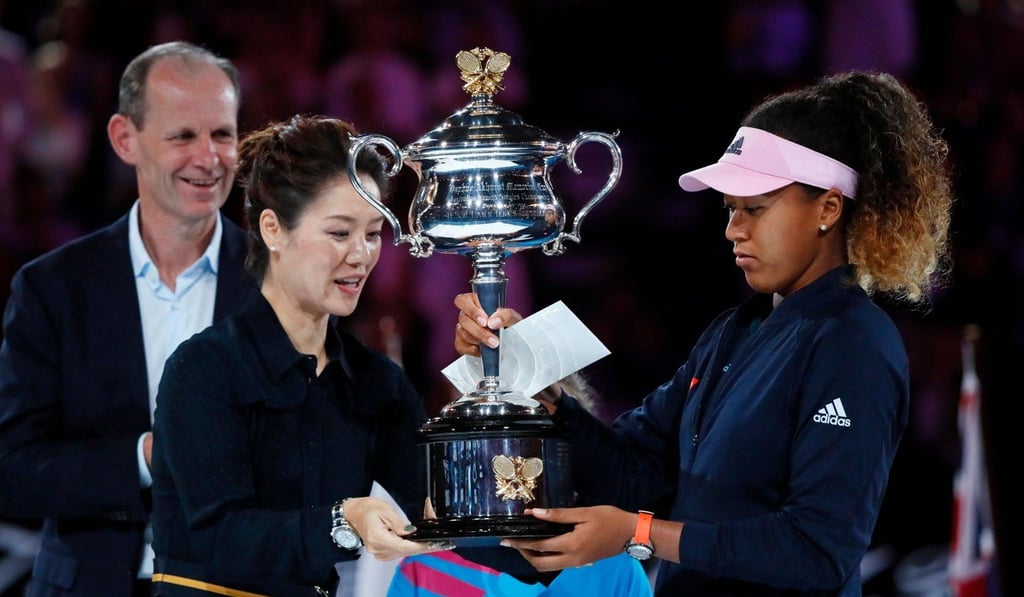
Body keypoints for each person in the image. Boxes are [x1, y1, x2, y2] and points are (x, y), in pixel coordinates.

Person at [452, 70, 954, 595]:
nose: (733, 229)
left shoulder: (854, 344)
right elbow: (633, 471)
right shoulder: (735, 331)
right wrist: (544, 391)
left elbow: (815, 551)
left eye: (755, 209)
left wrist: (638, 534)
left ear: (827, 208)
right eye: (731, 209)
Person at [149, 114, 453, 597]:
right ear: (273, 229)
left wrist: (514, 394)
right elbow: (220, 537)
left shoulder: (378, 383)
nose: (361, 255)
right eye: (339, 233)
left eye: (373, 233)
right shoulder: (205, 370)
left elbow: (442, 520)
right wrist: (343, 518)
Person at [0, 41, 256, 596]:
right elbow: (13, 470)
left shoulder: (280, 282)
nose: (208, 158)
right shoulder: (53, 288)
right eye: (183, 136)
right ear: (125, 139)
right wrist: (146, 457)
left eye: (222, 134)